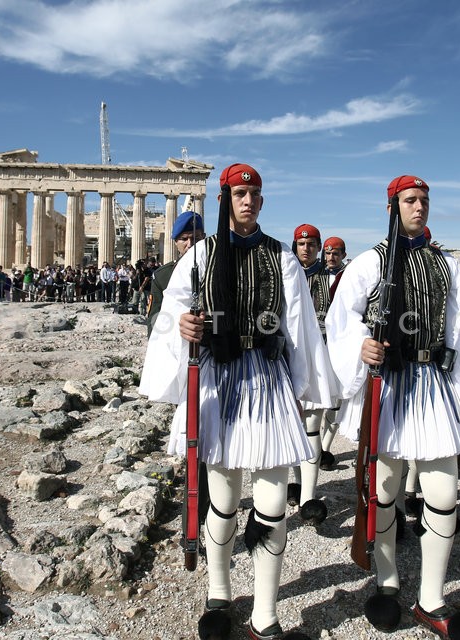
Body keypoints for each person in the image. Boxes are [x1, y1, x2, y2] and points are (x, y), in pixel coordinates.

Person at [140, 163, 333, 640]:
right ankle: (220, 591)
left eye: (254, 194)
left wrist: (306, 389)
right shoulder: (200, 256)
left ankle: (266, 613)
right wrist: (184, 328)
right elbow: (171, 314)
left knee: (271, 504)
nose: (247, 200)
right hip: (218, 382)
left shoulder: (282, 259)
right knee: (223, 501)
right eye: (239, 193)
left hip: (267, 382)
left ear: (262, 203)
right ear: (226, 199)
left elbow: (301, 329)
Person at [326, 175, 460, 638]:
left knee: (441, 493)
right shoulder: (370, 262)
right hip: (388, 384)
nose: (419, 208)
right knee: (385, 488)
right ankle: (387, 580)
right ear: (392, 207)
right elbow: (343, 321)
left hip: (432, 384)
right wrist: (361, 346)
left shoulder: (447, 265)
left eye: (424, 201)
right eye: (410, 201)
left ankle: (432, 597)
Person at [286, 223, 335, 526]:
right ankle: (295, 482)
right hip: (287, 358)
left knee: (311, 427)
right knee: (289, 426)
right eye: (301, 244)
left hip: (317, 357)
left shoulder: (329, 281)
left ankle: (308, 495)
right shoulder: (284, 275)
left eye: (312, 245)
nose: (306, 249)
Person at [146, 211, 205, 337]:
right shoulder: (163, 276)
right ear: (175, 242)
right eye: (184, 239)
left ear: (204, 238)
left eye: (196, 238)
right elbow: (155, 319)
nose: (190, 244)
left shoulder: (216, 269)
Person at [318, 236, 348, 470]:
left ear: (343, 255)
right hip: (319, 341)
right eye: (327, 253)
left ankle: (326, 449)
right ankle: (315, 448)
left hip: (338, 343)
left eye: (335, 253)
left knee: (336, 400)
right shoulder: (315, 275)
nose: (330, 258)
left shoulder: (348, 277)